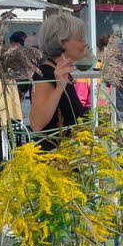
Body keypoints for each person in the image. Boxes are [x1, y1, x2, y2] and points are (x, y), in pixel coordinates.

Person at [30, 13, 90, 148]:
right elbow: (37, 123)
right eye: (80, 38)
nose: (85, 43)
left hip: (68, 158)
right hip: (53, 161)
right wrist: (59, 88)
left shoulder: (62, 73)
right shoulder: (45, 73)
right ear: (62, 42)